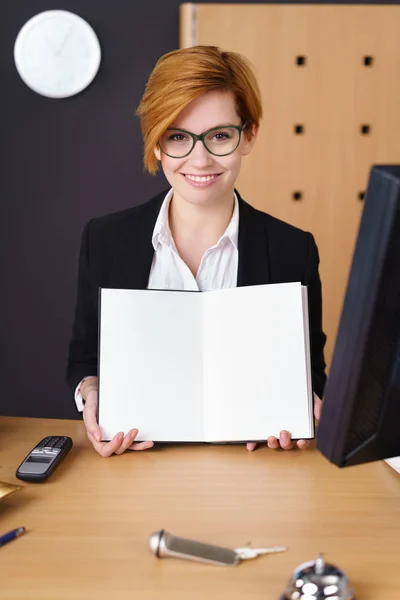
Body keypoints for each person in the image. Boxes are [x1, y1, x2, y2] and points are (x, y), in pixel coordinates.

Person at [67, 45, 327, 457]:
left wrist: (303, 411)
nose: (200, 159)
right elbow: (83, 360)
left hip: (252, 472)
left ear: (249, 136)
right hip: (133, 465)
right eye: (177, 137)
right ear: (155, 143)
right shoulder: (105, 240)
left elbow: (311, 374)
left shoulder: (293, 249)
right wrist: (92, 394)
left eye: (220, 136)